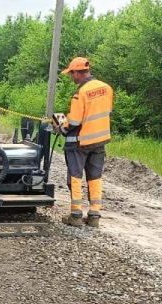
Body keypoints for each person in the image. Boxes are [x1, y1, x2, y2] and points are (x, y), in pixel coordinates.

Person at [53, 57, 114, 228]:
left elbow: (74, 121)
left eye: (72, 74)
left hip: (80, 142)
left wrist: (61, 128)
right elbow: (106, 111)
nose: (72, 77)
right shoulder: (106, 88)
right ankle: (94, 215)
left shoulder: (80, 93)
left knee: (75, 177)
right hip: (100, 140)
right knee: (95, 177)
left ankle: (76, 215)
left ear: (78, 72)